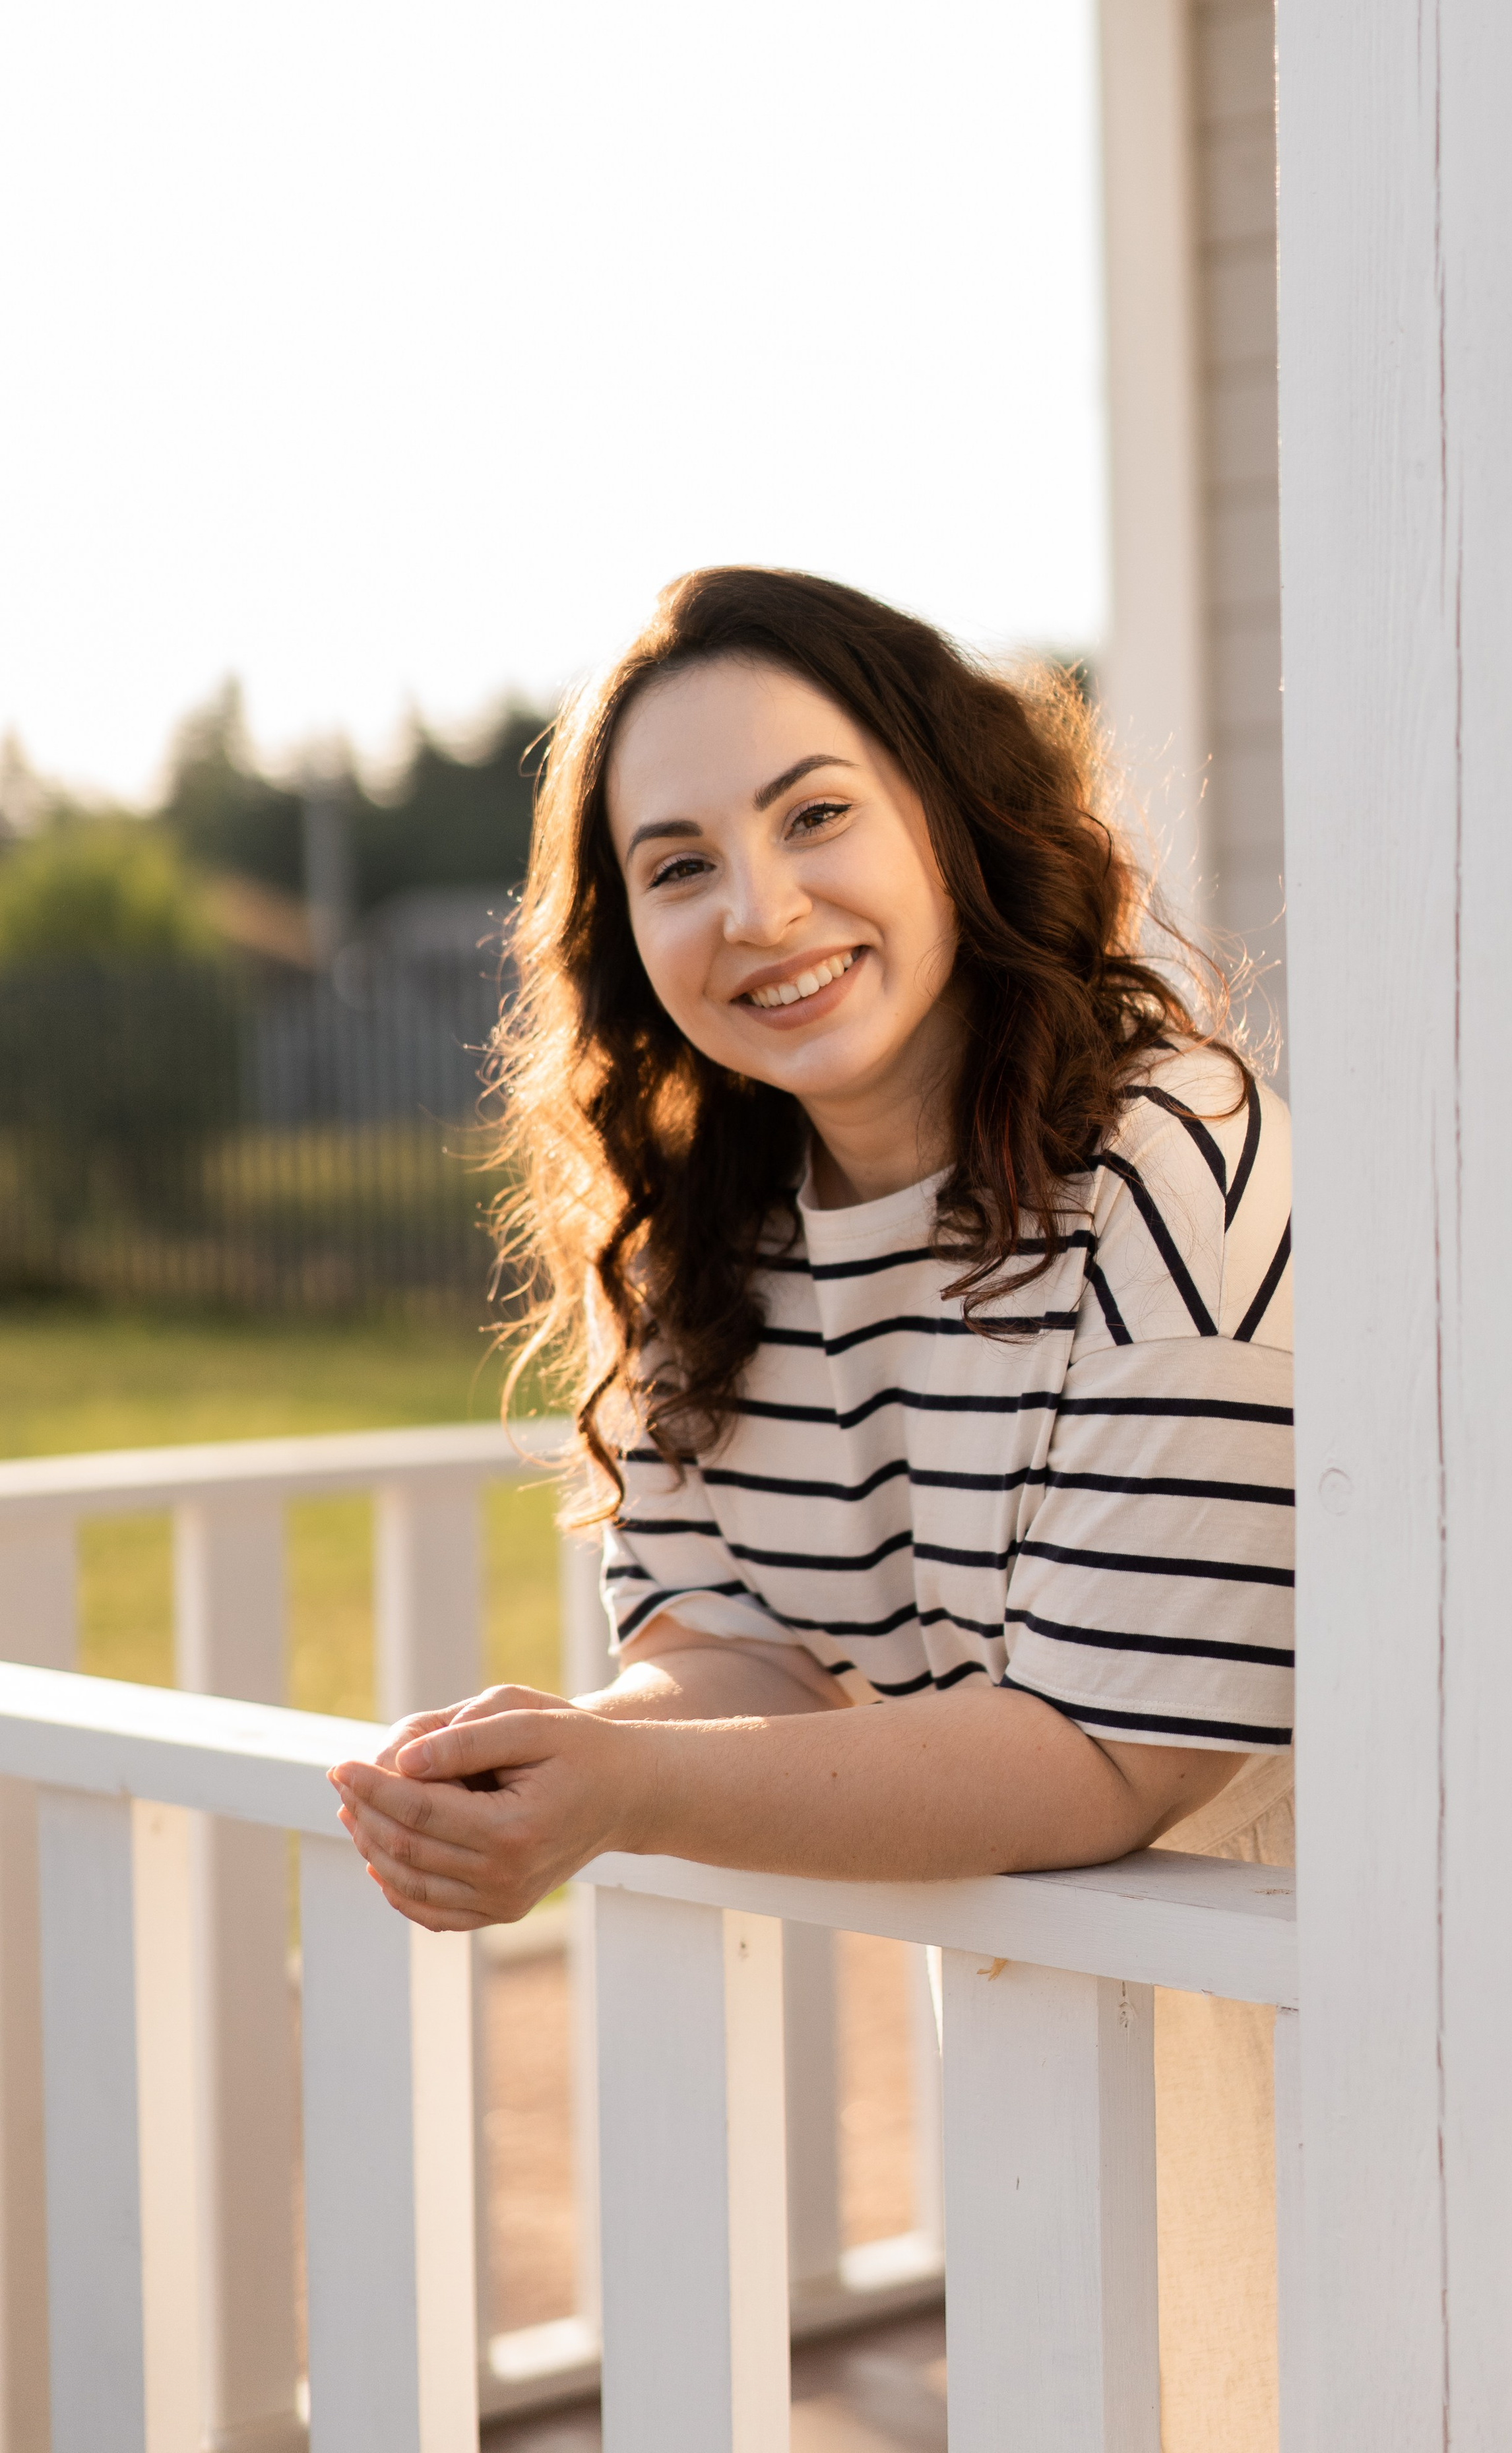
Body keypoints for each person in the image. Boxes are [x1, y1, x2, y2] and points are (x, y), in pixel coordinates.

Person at [330, 568, 1294, 2449]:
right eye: (676, 864)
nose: (759, 911)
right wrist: (562, 1751)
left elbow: (1116, 1761)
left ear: (947, 813)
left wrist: (630, 1793)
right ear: (623, 934)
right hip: (1049, 2000)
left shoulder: (1171, 1150)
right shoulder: (699, 1231)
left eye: (816, 813)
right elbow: (734, 1646)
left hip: (1336, 1979)